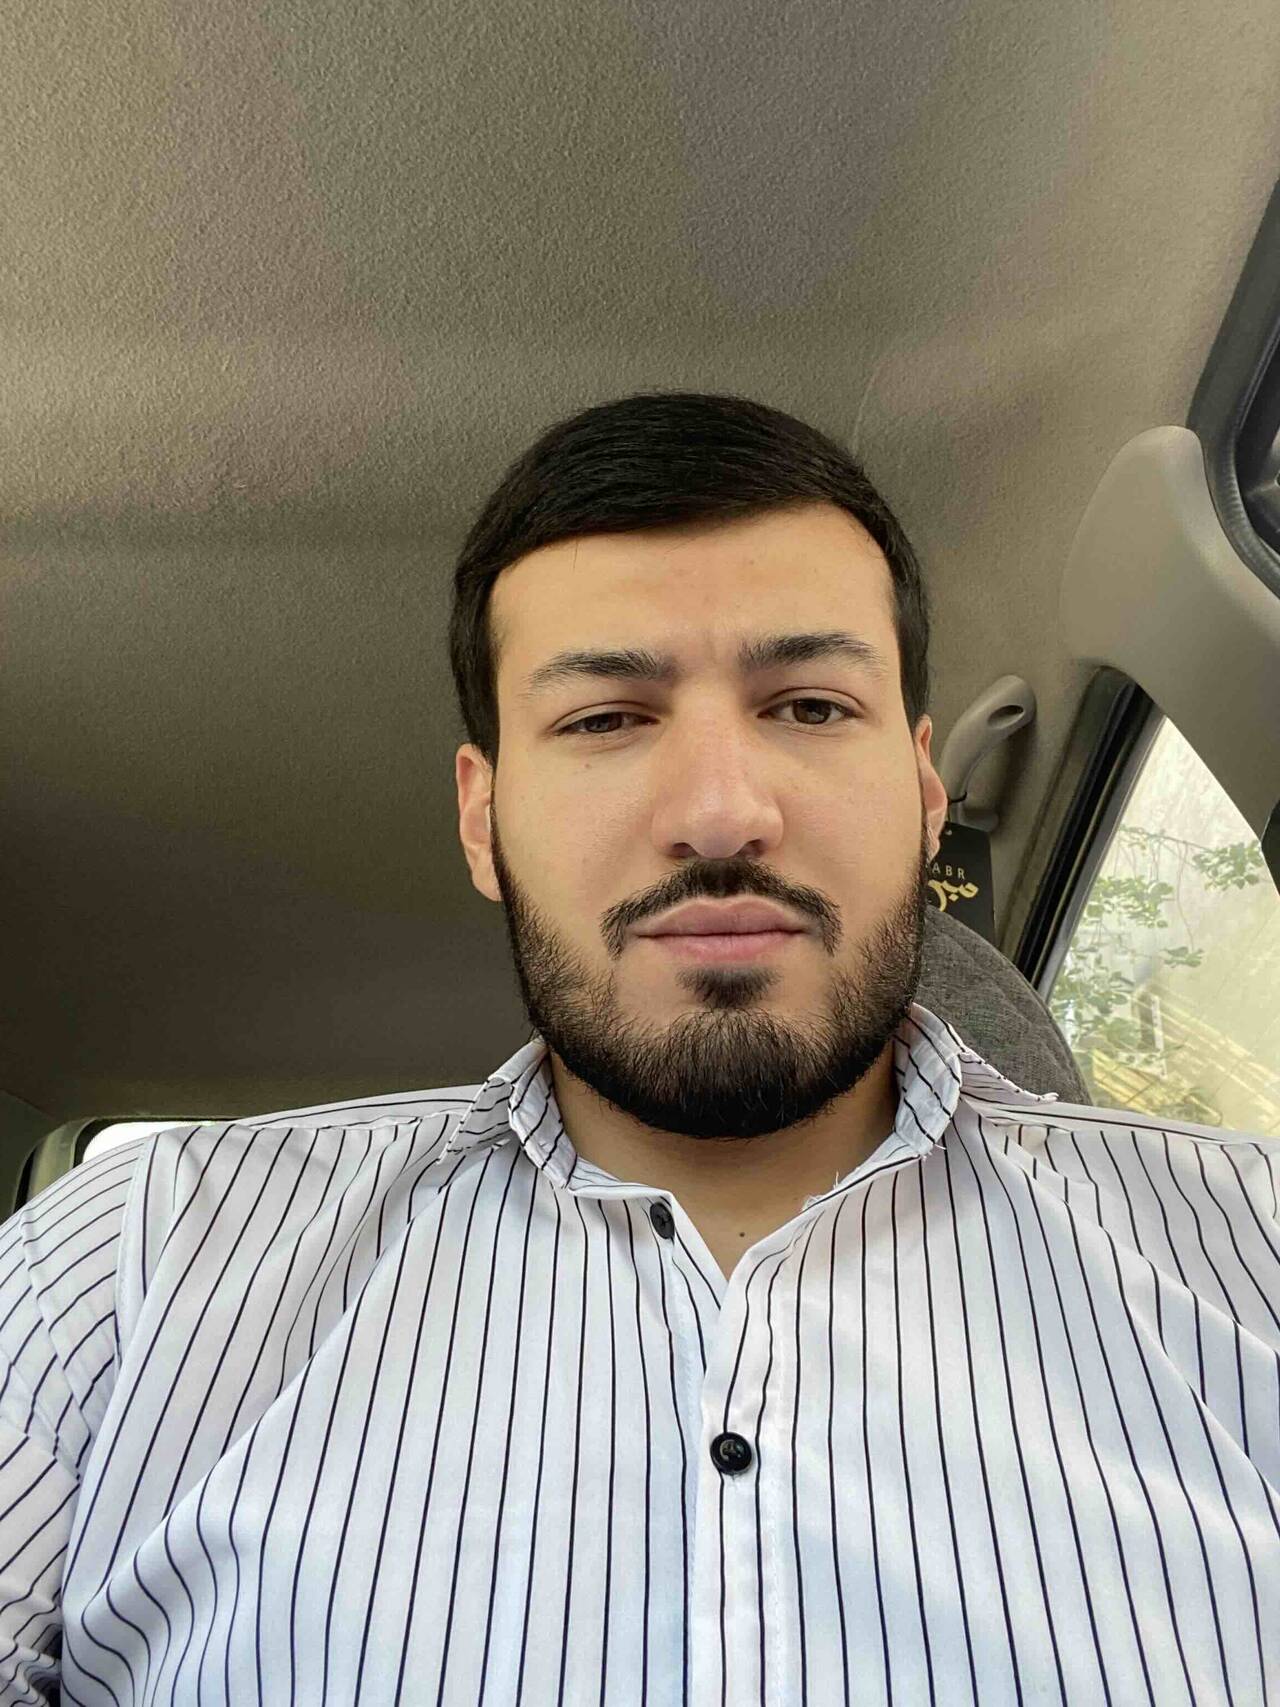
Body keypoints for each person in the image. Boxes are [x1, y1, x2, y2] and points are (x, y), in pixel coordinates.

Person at [1, 391, 1275, 1705]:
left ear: (922, 790)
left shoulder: (1254, 1251)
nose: (722, 813)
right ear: (483, 820)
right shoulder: (125, 1265)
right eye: (605, 718)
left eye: (811, 706)